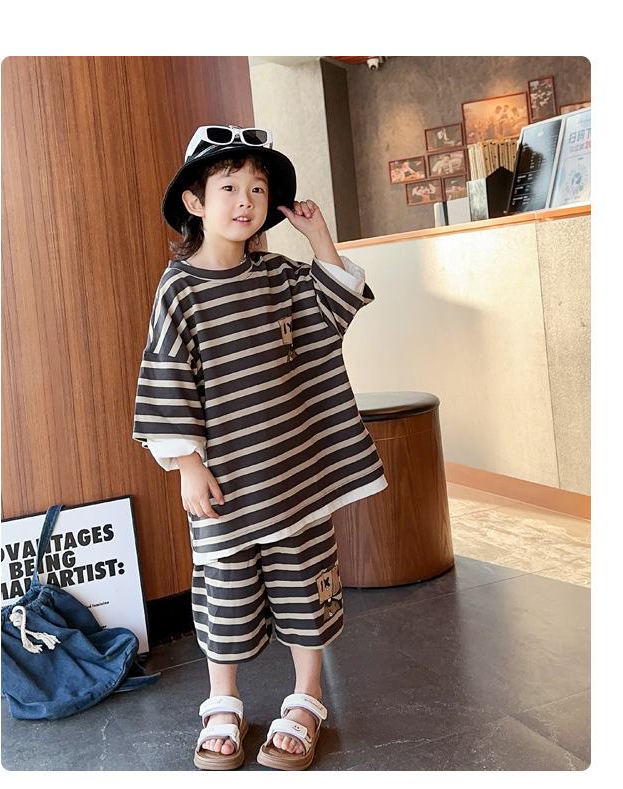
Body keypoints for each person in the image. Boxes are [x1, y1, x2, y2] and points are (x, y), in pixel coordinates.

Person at [132, 125, 388, 771]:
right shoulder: (179, 290)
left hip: (293, 473)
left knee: (306, 585)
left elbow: (333, 311)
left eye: (257, 188)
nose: (245, 200)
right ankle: (223, 701)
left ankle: (307, 696)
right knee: (225, 593)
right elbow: (167, 375)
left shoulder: (278, 275)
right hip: (226, 480)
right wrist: (187, 463)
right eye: (228, 187)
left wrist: (318, 237)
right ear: (195, 202)